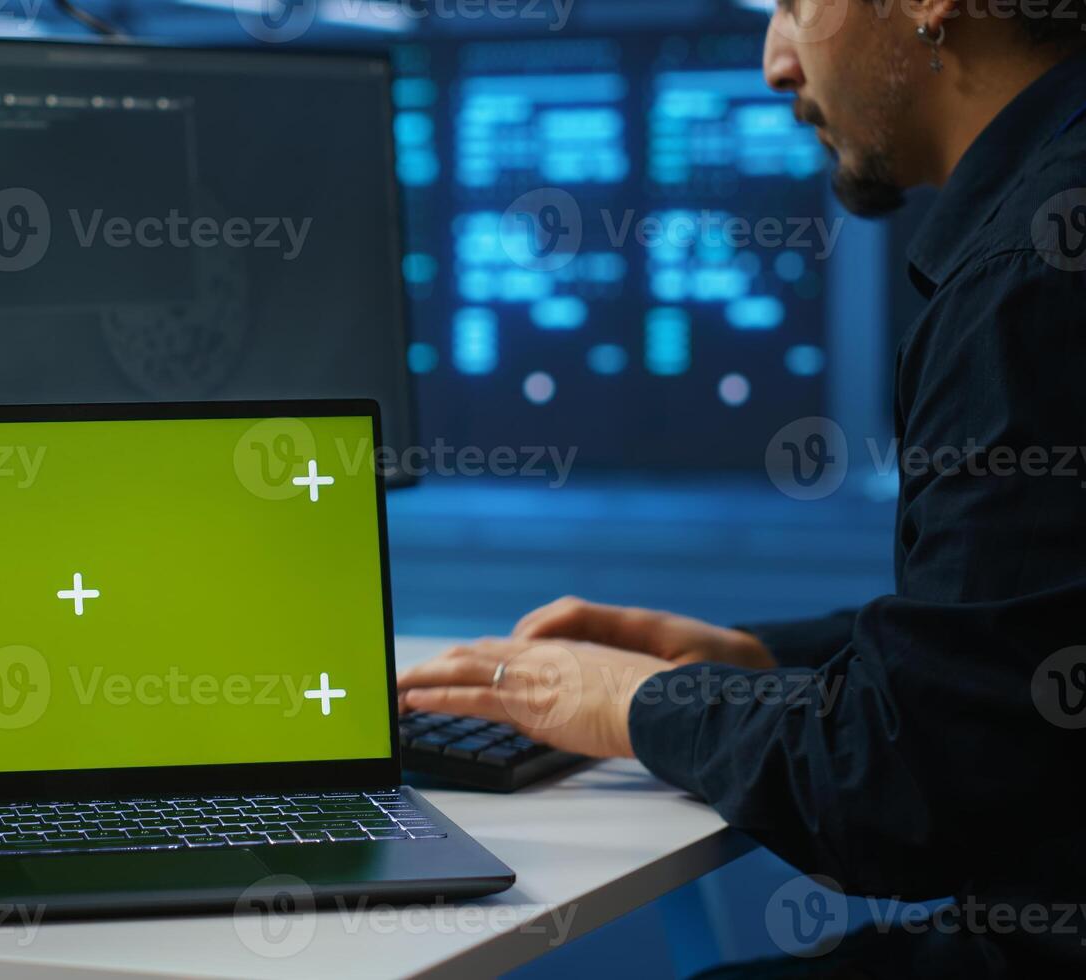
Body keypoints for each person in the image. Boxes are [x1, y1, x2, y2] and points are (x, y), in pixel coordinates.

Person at [397, 0, 1086, 973]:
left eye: (797, 5)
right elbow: (1022, 639)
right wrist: (760, 657)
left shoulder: (1031, 280)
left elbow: (906, 794)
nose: (773, 60)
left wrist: (644, 701)